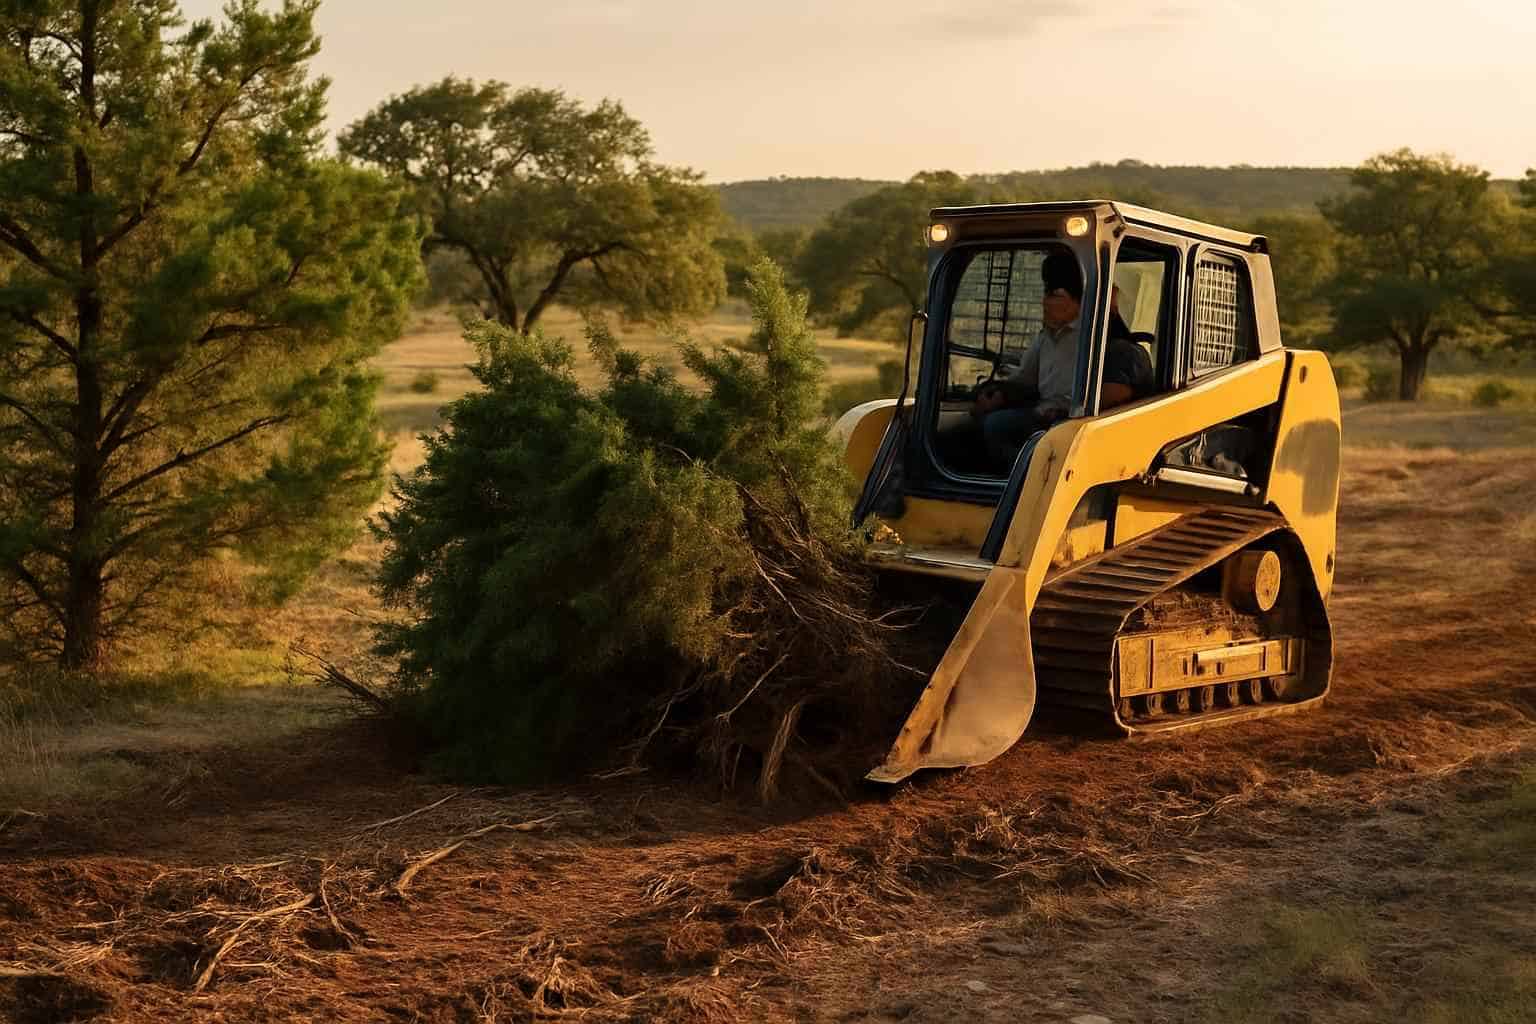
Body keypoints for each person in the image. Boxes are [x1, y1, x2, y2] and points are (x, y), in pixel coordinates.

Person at [978, 253, 1145, 470]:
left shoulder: (1106, 341)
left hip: (1076, 423)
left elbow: (1114, 400)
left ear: (1078, 300)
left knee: (1001, 428)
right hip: (1043, 416)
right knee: (991, 424)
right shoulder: (1046, 338)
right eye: (1045, 293)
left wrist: (1066, 412)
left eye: (1054, 295)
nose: (1045, 302)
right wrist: (998, 394)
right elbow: (1024, 381)